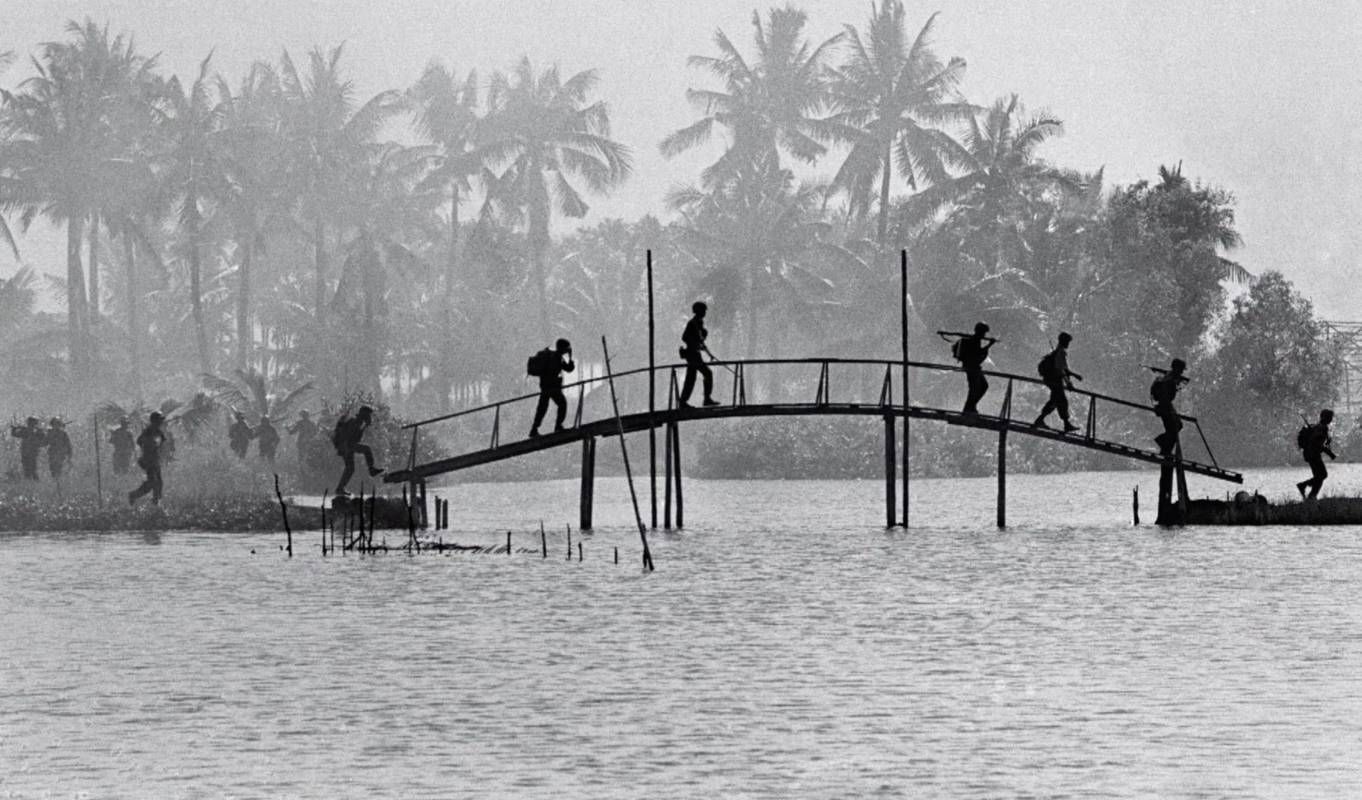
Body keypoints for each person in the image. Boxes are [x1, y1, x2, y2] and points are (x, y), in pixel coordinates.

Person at [1033, 332, 1083, 433]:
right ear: (1064, 341)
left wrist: (1075, 375)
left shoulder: (1057, 352)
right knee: (1061, 401)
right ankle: (1064, 424)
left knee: (1055, 401)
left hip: (1051, 380)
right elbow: (1060, 369)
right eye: (1068, 341)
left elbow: (1063, 368)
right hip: (1055, 381)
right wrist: (1068, 383)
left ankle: (1040, 421)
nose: (1068, 344)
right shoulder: (1061, 352)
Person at [528, 338, 575, 438]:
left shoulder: (555, 356)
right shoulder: (556, 357)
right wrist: (570, 357)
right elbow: (567, 369)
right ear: (562, 348)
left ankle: (534, 430)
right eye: (566, 348)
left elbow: (568, 369)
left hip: (546, 386)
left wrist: (570, 357)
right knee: (562, 404)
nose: (567, 350)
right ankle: (557, 427)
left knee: (542, 408)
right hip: (551, 387)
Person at [334, 405, 383, 497]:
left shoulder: (359, 422)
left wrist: (365, 426)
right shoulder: (355, 422)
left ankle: (340, 489)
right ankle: (371, 469)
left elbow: (356, 437)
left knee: (350, 469)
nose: (370, 417)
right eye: (368, 415)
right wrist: (347, 448)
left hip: (346, 447)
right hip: (347, 446)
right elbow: (350, 438)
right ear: (364, 415)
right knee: (366, 449)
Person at [679, 301, 720, 408]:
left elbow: (700, 342)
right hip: (692, 354)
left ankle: (683, 402)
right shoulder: (692, 323)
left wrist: (709, 354)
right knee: (707, 373)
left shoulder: (699, 323)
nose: (705, 312)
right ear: (698, 311)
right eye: (703, 310)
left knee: (691, 377)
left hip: (695, 354)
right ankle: (706, 399)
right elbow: (685, 337)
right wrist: (695, 343)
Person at [956, 322, 996, 415]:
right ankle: (968, 409)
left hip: (973, 367)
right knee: (975, 388)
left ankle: (970, 407)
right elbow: (979, 352)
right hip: (972, 367)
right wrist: (989, 345)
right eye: (983, 332)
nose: (984, 335)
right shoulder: (975, 340)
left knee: (980, 387)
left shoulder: (975, 339)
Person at [1296, 409, 1337, 500]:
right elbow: (1316, 443)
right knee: (1322, 475)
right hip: (1313, 455)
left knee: (1319, 476)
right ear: (1324, 417)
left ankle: (1311, 495)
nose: (1331, 419)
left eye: (1331, 417)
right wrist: (1329, 453)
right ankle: (1304, 486)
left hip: (1310, 454)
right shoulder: (1322, 428)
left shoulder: (1318, 427)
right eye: (1329, 417)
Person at [1150, 358, 1188, 455]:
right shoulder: (1169, 380)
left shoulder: (1168, 377)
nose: (1181, 372)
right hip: (1165, 407)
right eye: (1181, 370)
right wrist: (1169, 411)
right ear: (1176, 368)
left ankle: (1165, 449)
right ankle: (1163, 446)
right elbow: (1167, 396)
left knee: (1175, 428)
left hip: (1164, 407)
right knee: (1175, 428)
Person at [129, 412, 167, 506]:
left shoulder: (157, 431)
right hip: (148, 460)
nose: (161, 422)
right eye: (159, 420)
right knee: (153, 483)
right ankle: (134, 495)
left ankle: (156, 501)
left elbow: (163, 440)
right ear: (154, 421)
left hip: (154, 459)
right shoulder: (148, 431)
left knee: (159, 482)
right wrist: (148, 447)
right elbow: (139, 441)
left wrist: (158, 447)